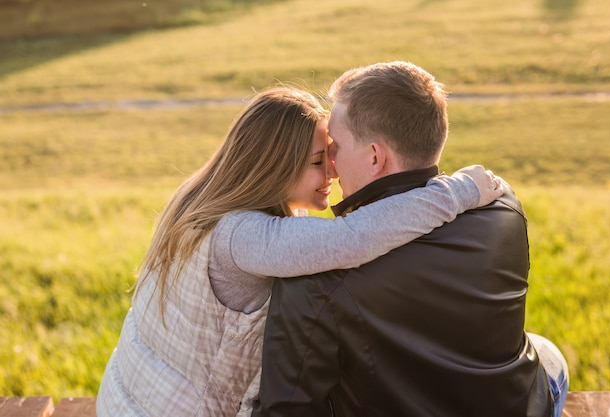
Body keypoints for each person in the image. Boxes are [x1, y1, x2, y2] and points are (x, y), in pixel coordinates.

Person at [95, 86, 503, 417]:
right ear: (272, 165)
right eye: (316, 162)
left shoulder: (197, 200)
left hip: (123, 400)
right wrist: (460, 190)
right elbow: (351, 239)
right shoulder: (241, 237)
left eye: (331, 156)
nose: (332, 172)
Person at [251, 62, 569, 417]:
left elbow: (286, 410)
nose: (332, 165)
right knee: (547, 352)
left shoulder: (314, 274)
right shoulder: (501, 204)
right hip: (517, 406)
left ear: (375, 156)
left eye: (336, 146)